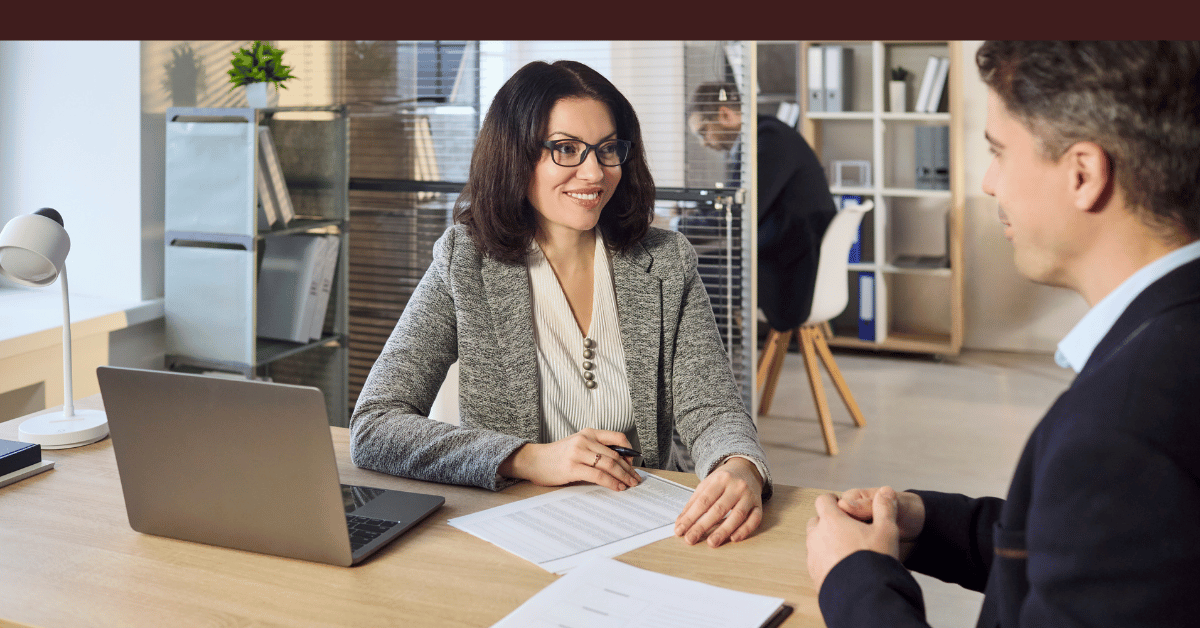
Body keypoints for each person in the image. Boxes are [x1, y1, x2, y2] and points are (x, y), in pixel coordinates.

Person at [805, 40, 1200, 626]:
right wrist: (923, 522)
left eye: (999, 153)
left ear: (1084, 174)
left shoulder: (1121, 431)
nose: (989, 183)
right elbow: (1091, 547)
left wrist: (856, 580)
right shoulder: (1169, 337)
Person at [350, 60, 773, 548]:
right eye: (566, 149)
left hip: (650, 529)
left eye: (607, 149)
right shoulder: (465, 261)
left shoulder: (666, 261)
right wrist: (527, 457)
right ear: (516, 155)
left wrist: (739, 465)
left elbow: (713, 409)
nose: (594, 172)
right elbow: (376, 425)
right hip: (517, 532)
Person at [687, 82, 838, 333]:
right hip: (787, 259)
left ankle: (714, 365)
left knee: (688, 275)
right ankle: (722, 359)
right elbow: (733, 202)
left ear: (726, 115)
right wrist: (692, 215)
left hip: (791, 274)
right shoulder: (765, 134)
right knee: (696, 267)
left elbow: (737, 215)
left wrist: (678, 225)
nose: (705, 143)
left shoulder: (768, 141)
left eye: (704, 131)